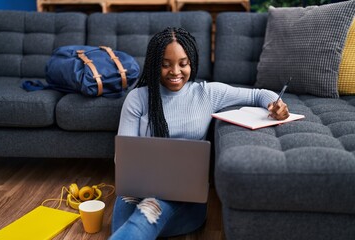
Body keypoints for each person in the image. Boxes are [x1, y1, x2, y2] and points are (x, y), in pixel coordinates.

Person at [109, 27, 289, 240]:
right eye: (165, 65)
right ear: (154, 64)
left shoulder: (208, 93)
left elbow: (257, 94)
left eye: (183, 64)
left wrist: (276, 105)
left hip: (184, 195)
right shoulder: (138, 98)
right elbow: (124, 159)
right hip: (137, 189)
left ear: (191, 62)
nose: (175, 71)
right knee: (127, 223)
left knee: (147, 212)